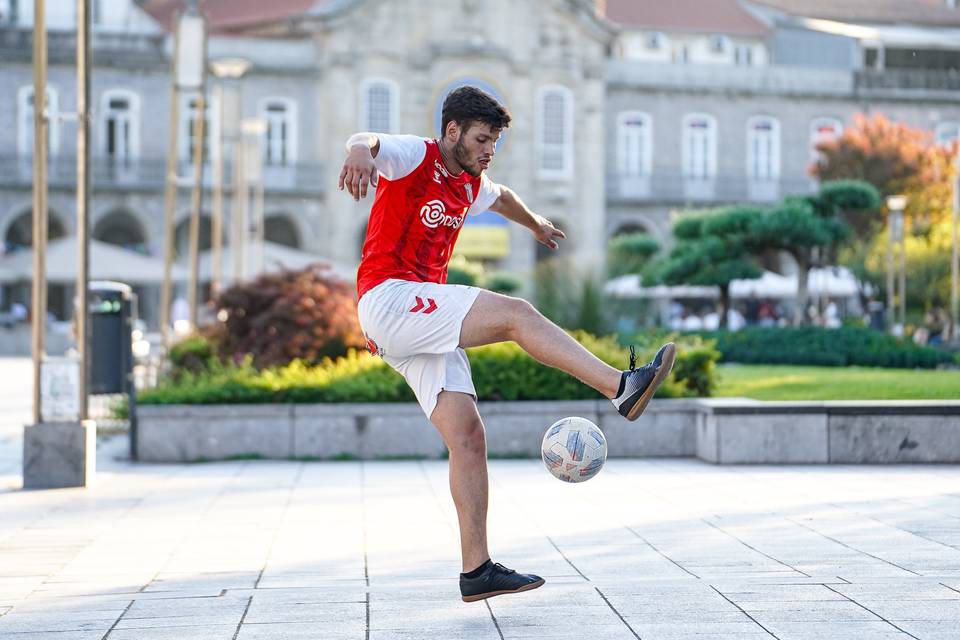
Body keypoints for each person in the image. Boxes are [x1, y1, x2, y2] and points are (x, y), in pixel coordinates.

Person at [339, 86, 675, 603]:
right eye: (480, 139)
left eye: (493, 142)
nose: (487, 150)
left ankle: (476, 571)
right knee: (517, 315)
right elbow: (368, 139)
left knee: (468, 436)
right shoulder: (416, 156)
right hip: (391, 297)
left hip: (417, 318)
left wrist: (536, 224)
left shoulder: (469, 182)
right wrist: (360, 151)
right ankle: (621, 387)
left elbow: (502, 196)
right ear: (452, 131)